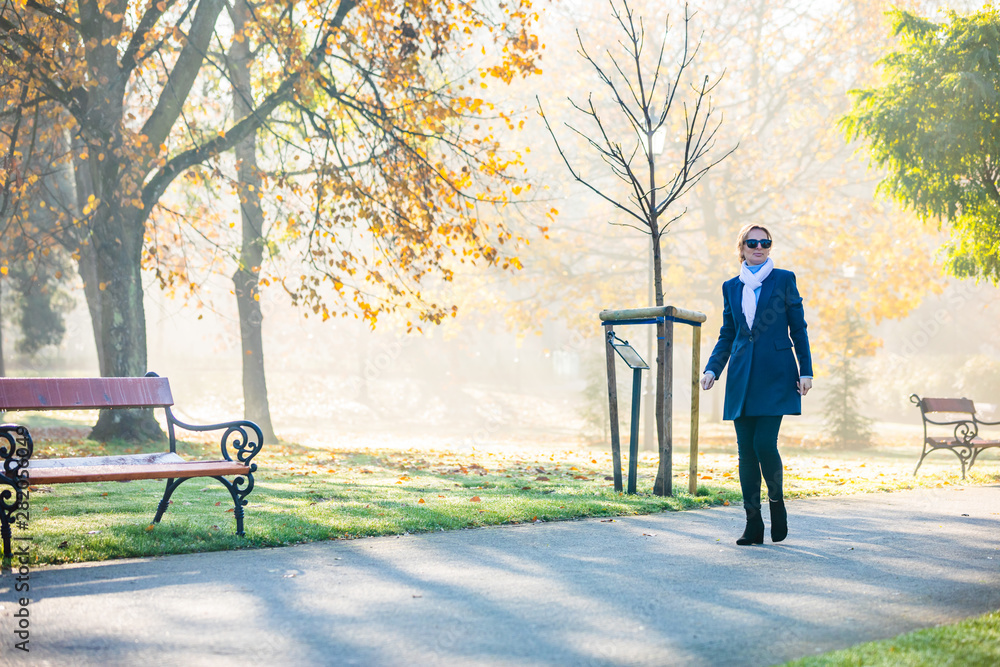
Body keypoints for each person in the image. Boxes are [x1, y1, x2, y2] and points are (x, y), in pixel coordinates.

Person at [700, 224, 812, 545]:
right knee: (746, 453)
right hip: (741, 376)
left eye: (765, 242)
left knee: (765, 444)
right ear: (742, 248)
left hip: (776, 374)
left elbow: (798, 328)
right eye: (753, 243)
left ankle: (777, 504)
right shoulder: (731, 287)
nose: (759, 247)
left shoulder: (784, 279)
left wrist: (806, 370)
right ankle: (753, 523)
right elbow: (728, 333)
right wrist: (713, 369)